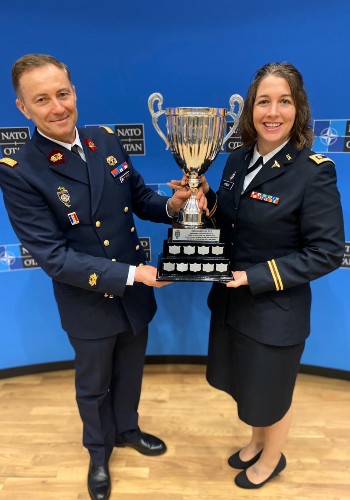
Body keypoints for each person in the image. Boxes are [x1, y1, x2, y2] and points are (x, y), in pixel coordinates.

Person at [0, 54, 206, 500]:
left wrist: (175, 206)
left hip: (133, 295)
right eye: (42, 99)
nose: (57, 106)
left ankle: (127, 430)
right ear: (23, 108)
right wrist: (135, 273)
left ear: (74, 92)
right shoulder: (20, 170)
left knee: (130, 372)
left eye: (63, 93)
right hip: (89, 299)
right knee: (93, 386)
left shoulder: (105, 141)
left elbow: (141, 200)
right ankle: (97, 452)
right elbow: (54, 258)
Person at [204, 63, 344, 488]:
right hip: (232, 302)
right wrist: (200, 198)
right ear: (251, 109)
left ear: (298, 109)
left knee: (273, 391)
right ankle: (256, 441)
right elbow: (229, 219)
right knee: (249, 385)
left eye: (284, 101)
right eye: (263, 101)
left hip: (274, 308)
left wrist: (254, 278)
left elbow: (326, 252)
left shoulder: (313, 170)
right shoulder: (237, 158)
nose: (272, 111)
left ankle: (272, 457)